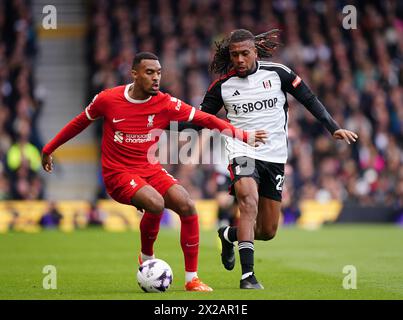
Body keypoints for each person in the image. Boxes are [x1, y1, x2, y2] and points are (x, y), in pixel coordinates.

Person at [41, 52, 266, 292]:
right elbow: (79, 122)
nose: (156, 78)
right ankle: (147, 258)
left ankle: (192, 279)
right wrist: (49, 148)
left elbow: (206, 119)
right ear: (134, 74)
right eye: (150, 72)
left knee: (187, 204)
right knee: (156, 203)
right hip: (117, 173)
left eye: (158, 73)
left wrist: (243, 135)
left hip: (149, 169)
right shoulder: (108, 99)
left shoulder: (165, 103)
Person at [198, 29, 359, 289]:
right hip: (243, 151)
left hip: (274, 157)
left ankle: (228, 235)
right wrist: (164, 119)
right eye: (234, 54)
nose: (239, 59)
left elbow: (309, 99)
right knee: (248, 201)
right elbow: (201, 119)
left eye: (244, 54)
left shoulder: (278, 74)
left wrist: (333, 127)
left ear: (255, 52)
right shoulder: (222, 86)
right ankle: (248, 276)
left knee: (267, 231)